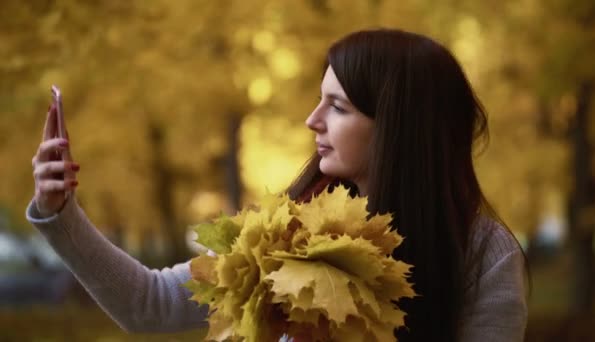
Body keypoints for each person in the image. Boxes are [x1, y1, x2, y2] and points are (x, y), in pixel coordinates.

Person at [27, 28, 527, 341]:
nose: (312, 120)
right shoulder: (286, 229)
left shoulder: (484, 254)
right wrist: (60, 211)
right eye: (319, 99)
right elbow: (148, 305)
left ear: (396, 125)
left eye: (338, 106)